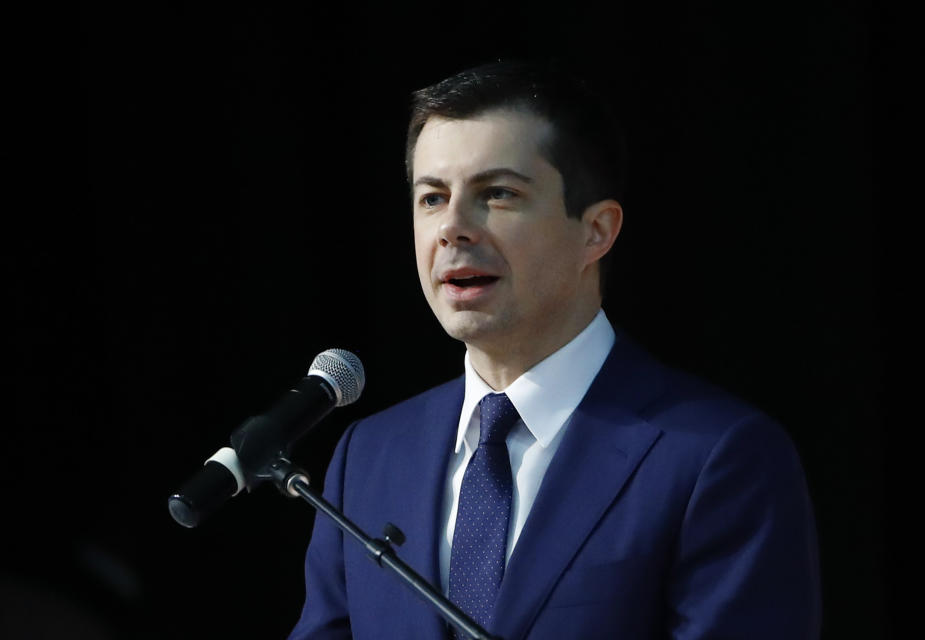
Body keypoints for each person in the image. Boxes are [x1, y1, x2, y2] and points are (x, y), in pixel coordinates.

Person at [289, 60, 821, 639]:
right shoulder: (368, 456)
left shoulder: (718, 457)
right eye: (432, 198)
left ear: (596, 230)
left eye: (497, 194)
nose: (453, 228)